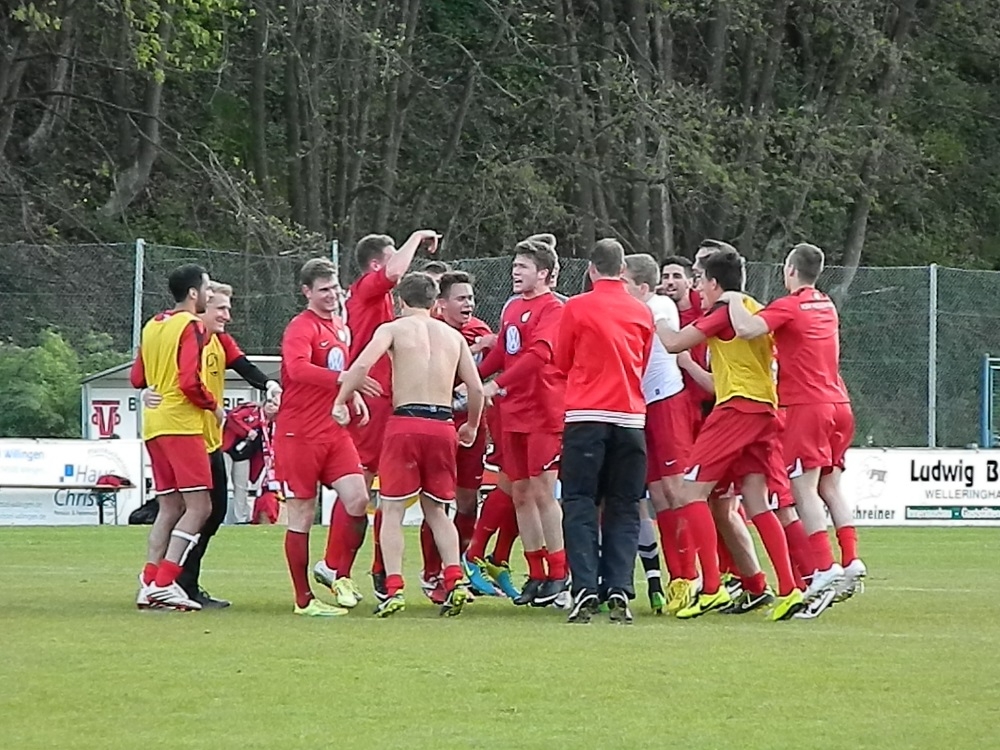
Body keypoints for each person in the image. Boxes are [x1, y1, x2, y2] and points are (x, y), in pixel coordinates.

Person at [660, 248, 805, 621]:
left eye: (699, 280)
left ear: (713, 282)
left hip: (737, 409)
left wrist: (654, 313)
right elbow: (720, 378)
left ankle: (712, 588)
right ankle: (788, 589)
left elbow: (673, 342)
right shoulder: (752, 307)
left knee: (690, 493)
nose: (697, 289)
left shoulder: (724, 311)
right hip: (762, 409)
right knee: (756, 502)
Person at [334, 272, 486, 618]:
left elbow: (361, 365)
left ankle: (394, 588)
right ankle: (454, 579)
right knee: (438, 511)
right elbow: (476, 389)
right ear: (435, 303)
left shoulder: (392, 329)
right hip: (442, 424)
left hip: (406, 423)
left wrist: (341, 400)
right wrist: (472, 426)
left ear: (400, 300)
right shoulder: (452, 336)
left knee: (393, 509)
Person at [723, 242, 866, 601]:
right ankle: (851, 560)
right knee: (830, 487)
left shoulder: (789, 305)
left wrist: (733, 297)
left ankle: (824, 568)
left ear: (790, 270)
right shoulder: (827, 304)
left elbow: (747, 329)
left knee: (803, 489)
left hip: (808, 406)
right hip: (840, 403)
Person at [138, 281, 280, 608]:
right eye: (221, 308)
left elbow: (244, 366)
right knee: (200, 510)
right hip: (187, 433)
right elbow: (175, 380)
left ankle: (157, 581)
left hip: (201, 437)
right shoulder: (188, 332)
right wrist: (147, 390)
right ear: (200, 304)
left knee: (194, 511)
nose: (227, 315)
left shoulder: (217, 340)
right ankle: (171, 582)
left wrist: (270, 385)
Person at [556, 240, 654, 624]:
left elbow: (562, 359)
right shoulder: (641, 311)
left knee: (579, 502)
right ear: (623, 269)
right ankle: (618, 587)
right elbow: (643, 359)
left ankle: (584, 587)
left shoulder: (576, 307)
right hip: (630, 418)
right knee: (624, 505)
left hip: (586, 415)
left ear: (592, 269)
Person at [341, 230, 440, 599]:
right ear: (374, 265)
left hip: (388, 399)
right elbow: (396, 272)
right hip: (374, 398)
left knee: (391, 487)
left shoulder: (381, 298)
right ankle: (338, 568)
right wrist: (417, 237)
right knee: (365, 482)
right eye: (392, 253)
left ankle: (380, 569)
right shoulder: (368, 289)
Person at [274, 258, 373, 617]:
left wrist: (352, 394)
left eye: (335, 288)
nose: (332, 295)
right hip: (298, 432)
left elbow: (338, 371)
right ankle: (304, 600)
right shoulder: (300, 327)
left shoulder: (341, 327)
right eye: (323, 290)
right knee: (301, 513)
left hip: (332, 431)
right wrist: (346, 380)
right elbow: (298, 369)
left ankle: (338, 573)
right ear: (307, 292)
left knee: (358, 499)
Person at [477, 234, 568, 607]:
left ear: (543, 273)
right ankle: (536, 572)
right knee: (520, 493)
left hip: (543, 412)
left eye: (523, 267)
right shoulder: (513, 307)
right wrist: (471, 379)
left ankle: (559, 573)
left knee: (544, 492)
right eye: (514, 266)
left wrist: (496, 384)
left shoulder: (553, 308)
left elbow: (539, 355)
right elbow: (503, 352)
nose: (515, 272)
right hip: (513, 413)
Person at [130, 264, 221, 611]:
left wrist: (151, 389)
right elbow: (188, 381)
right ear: (194, 293)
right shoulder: (191, 325)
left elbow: (137, 377)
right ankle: (166, 582)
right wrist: (213, 406)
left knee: (170, 507)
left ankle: (149, 582)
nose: (210, 294)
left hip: (154, 425)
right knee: (201, 507)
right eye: (207, 288)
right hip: (181, 424)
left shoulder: (153, 324)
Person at [418, 270, 500, 602]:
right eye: (461, 298)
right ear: (441, 304)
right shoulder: (432, 332)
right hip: (441, 424)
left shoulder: (481, 329)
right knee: (437, 500)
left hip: (473, 426)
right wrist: (476, 349)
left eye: (471, 298)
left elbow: (495, 370)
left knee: (468, 500)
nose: (469, 304)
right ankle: (431, 573)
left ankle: (461, 566)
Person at [622, 254, 697, 614]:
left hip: (667, 403)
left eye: (624, 282)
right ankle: (675, 577)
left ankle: (691, 577)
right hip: (643, 407)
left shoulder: (658, 305)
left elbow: (665, 334)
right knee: (657, 495)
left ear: (642, 287)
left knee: (676, 491)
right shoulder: (632, 308)